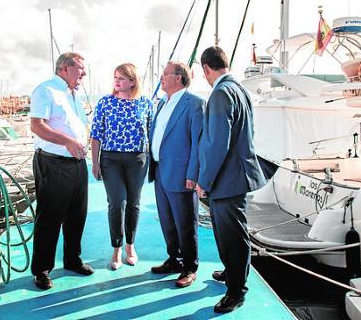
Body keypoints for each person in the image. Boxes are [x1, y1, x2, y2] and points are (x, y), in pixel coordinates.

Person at [195, 46, 266, 313]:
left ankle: (236, 291)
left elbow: (216, 143)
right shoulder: (239, 89)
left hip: (227, 179)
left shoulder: (221, 93)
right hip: (237, 174)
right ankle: (232, 272)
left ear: (206, 69)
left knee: (233, 236)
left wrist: (205, 181)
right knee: (230, 234)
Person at [29, 52, 94, 291]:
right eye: (80, 69)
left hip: (76, 164)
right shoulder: (46, 90)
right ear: (65, 68)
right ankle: (42, 270)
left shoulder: (73, 93)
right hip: (53, 163)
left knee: (77, 214)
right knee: (50, 217)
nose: (84, 74)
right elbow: (37, 125)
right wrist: (67, 141)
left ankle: (72, 259)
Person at [90, 63, 153, 270]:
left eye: (122, 78)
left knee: (134, 204)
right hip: (111, 160)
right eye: (115, 77)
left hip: (138, 159)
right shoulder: (105, 103)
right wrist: (95, 162)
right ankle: (116, 248)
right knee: (117, 203)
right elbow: (96, 135)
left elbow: (152, 135)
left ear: (133, 81)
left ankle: (130, 246)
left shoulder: (146, 103)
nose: (117, 82)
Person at [148, 61, 205, 288]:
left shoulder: (195, 104)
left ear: (179, 78)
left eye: (165, 74)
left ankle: (190, 267)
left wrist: (194, 173)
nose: (161, 77)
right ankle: (174, 259)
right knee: (167, 220)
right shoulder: (163, 103)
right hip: (161, 170)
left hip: (182, 174)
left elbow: (198, 144)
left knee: (185, 222)